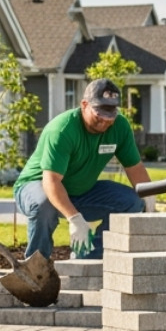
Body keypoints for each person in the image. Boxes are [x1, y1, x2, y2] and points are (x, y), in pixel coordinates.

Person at [14, 79, 151, 259]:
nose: (105, 120)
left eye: (110, 114)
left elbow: (135, 168)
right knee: (43, 206)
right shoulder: (63, 130)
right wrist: (75, 219)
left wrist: (150, 199)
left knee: (132, 202)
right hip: (37, 187)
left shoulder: (120, 127)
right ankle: (36, 266)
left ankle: (90, 259)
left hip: (81, 191)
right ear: (84, 105)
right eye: (99, 113)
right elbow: (51, 181)